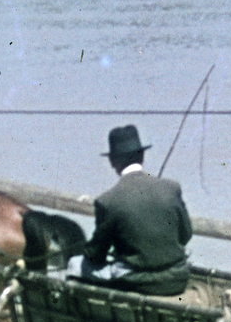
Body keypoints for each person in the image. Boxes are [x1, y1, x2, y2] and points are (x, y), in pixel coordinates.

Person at [80, 125, 193, 296]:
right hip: (176, 281)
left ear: (112, 161)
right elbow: (186, 235)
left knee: (75, 265)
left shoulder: (107, 201)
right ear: (142, 156)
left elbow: (96, 255)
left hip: (135, 283)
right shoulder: (171, 188)